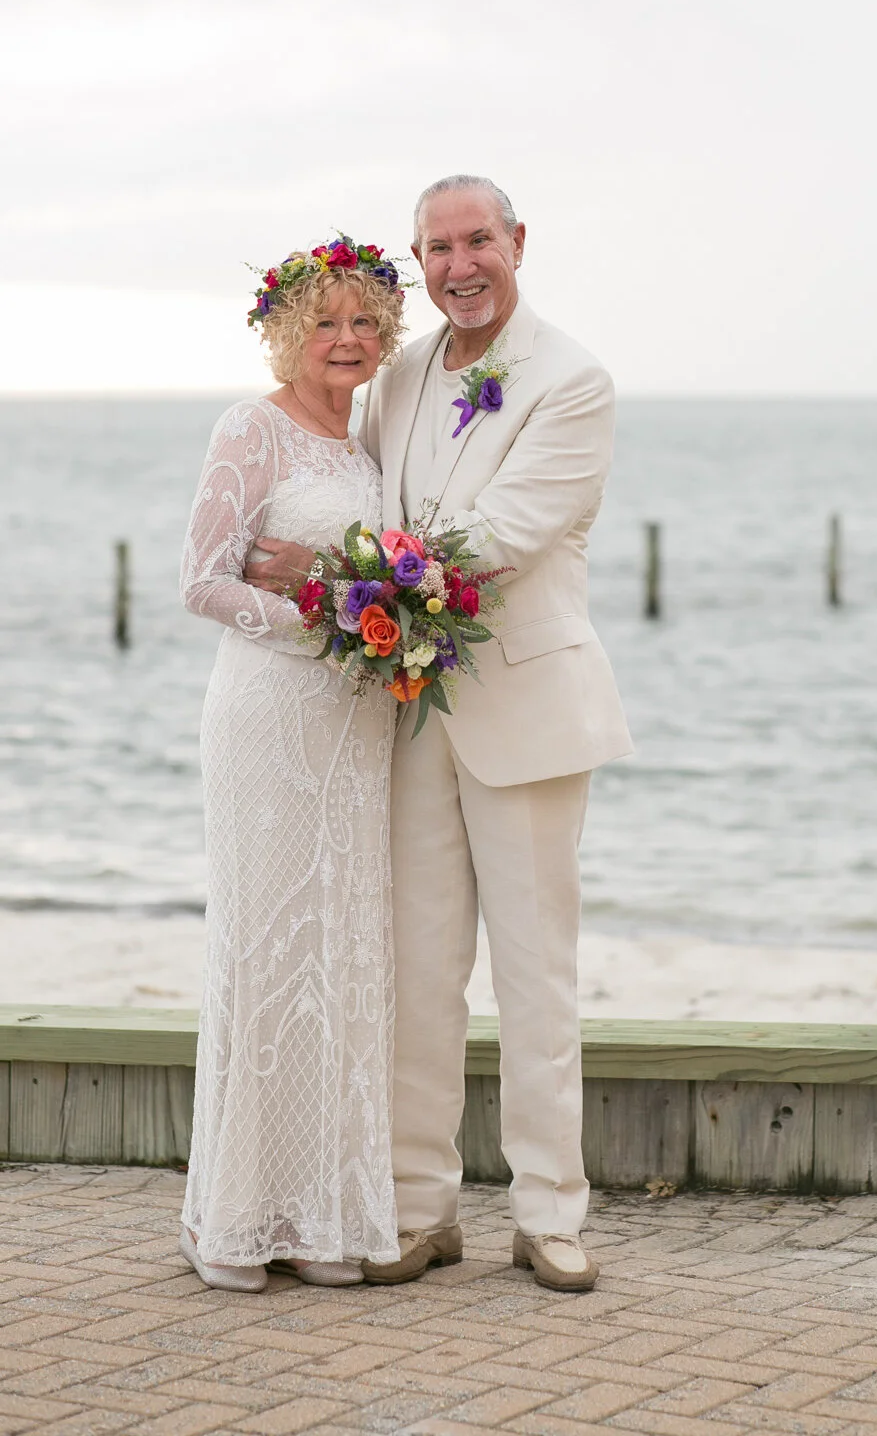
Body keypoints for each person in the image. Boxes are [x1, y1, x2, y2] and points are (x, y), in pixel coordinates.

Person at [360, 175, 631, 1291]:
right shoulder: (404, 372)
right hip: (414, 712)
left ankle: (550, 1214)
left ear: (518, 243)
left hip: (525, 707)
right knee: (416, 975)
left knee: (535, 978)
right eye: (438, 247)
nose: (459, 265)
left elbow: (504, 537)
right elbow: (367, 489)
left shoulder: (573, 380)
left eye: (478, 241)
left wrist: (347, 581)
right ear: (416, 261)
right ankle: (419, 1210)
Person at [179, 240, 408, 1291]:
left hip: (355, 729)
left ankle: (318, 1217)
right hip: (271, 714)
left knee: (338, 952)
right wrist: (321, 614)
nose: (349, 340)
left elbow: (366, 575)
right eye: (328, 323)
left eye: (365, 323)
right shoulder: (251, 427)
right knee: (269, 947)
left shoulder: (363, 445)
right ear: (287, 331)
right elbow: (203, 582)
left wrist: (362, 598)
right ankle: (238, 1219)